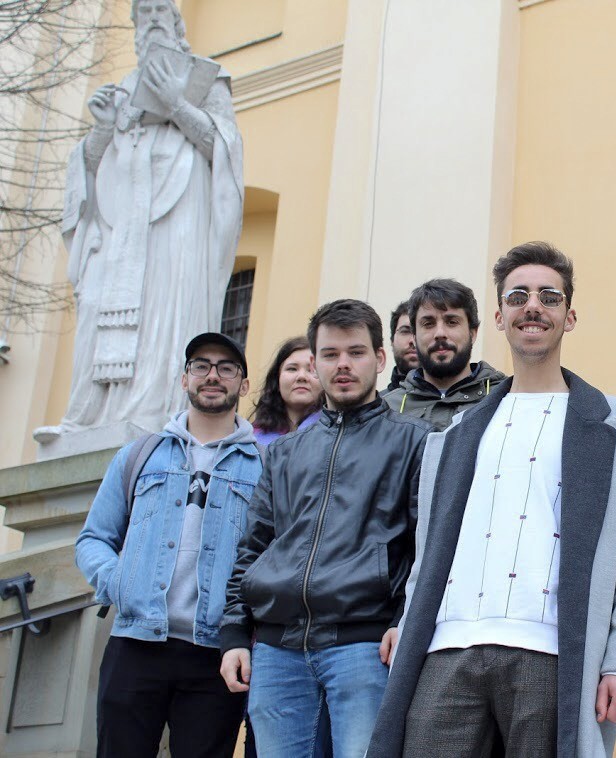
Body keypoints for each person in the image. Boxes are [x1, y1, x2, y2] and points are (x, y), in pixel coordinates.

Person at [369, 242, 616, 758]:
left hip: (551, 650)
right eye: (518, 296)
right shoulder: (455, 435)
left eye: (549, 297)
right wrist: (407, 619)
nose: (533, 306)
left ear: (569, 317)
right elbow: (430, 549)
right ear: (499, 317)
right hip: (447, 646)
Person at [219, 299, 431, 758]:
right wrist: (235, 634)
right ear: (314, 363)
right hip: (277, 650)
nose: (343, 365)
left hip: (364, 647)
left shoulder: (415, 442)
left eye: (356, 352)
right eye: (330, 354)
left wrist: (403, 620)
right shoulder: (285, 452)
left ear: (380, 358)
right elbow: (253, 546)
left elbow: (427, 549)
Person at [39, 0, 243, 440]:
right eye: (142, 13)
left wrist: (175, 104)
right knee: (98, 307)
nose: (150, 21)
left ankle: (158, 413)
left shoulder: (204, 79)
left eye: (158, 12)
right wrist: (101, 128)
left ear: (176, 22)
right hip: (122, 227)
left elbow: (223, 146)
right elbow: (94, 168)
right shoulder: (121, 91)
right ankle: (88, 417)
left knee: (165, 310)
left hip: (178, 222)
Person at [75, 332, 260, 758]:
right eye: (201, 366)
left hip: (216, 651)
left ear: (243, 384)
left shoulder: (264, 468)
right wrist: (118, 581)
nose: (212, 376)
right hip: (135, 642)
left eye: (226, 367)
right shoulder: (138, 455)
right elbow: (94, 538)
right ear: (184, 378)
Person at [384, 278, 507, 429]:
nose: (440, 333)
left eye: (452, 322)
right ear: (414, 337)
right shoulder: (386, 411)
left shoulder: (505, 399)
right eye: (428, 324)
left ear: (472, 333)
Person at [249, 335, 321, 445]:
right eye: (292, 369)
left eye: (311, 370)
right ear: (277, 379)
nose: (301, 376)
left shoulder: (340, 435)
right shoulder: (252, 440)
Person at [386, 301, 419, 394]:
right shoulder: (378, 402)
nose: (413, 341)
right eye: (405, 331)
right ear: (392, 340)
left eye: (419, 332)